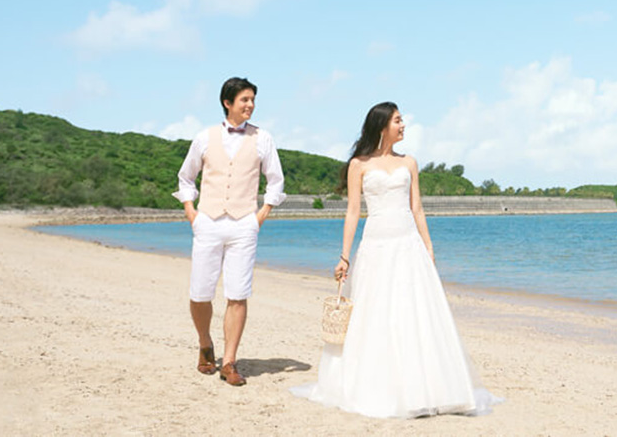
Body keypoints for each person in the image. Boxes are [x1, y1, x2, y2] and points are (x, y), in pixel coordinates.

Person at [291, 102, 497, 417]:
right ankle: (381, 387)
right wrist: (344, 257)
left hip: (408, 244)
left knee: (414, 313)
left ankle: (427, 389)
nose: (404, 126)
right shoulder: (358, 165)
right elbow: (352, 212)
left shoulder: (410, 162)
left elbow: (417, 208)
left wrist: (428, 247)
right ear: (382, 125)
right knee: (377, 315)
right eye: (398, 121)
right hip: (375, 245)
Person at [173, 76, 285, 386]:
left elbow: (276, 181)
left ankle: (230, 361)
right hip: (207, 221)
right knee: (200, 293)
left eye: (252, 100)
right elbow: (186, 177)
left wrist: (261, 215)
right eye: (244, 100)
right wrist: (191, 212)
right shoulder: (205, 137)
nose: (250, 105)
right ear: (228, 103)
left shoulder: (263, 139)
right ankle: (205, 344)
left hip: (244, 225)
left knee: (238, 294)